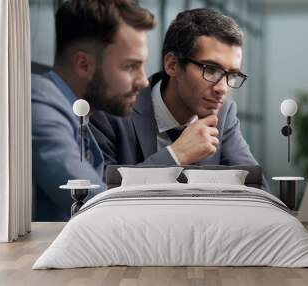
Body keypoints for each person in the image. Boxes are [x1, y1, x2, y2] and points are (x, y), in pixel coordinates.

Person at [91, 8, 268, 190]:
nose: (222, 88)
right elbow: (99, 195)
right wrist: (176, 156)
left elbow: (257, 187)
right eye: (210, 69)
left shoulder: (224, 114)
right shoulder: (112, 111)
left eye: (231, 75)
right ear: (172, 64)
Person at [32, 0, 155, 221]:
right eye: (130, 66)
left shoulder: (78, 113)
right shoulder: (40, 104)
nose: (144, 81)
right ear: (83, 65)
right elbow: (96, 205)